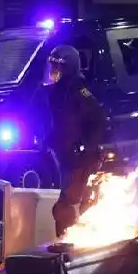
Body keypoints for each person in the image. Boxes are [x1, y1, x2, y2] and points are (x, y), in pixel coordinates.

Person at [44, 45, 107, 238]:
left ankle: (70, 248)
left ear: (68, 68)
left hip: (79, 158)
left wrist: (85, 145)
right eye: (52, 67)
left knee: (66, 207)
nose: (53, 72)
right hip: (64, 156)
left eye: (57, 67)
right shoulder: (57, 91)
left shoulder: (79, 91)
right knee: (68, 203)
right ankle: (71, 243)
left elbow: (98, 118)